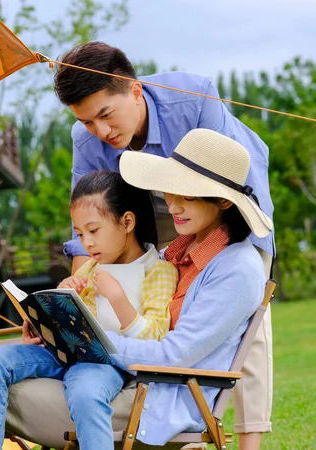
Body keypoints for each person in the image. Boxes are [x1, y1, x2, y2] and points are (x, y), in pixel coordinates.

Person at [0, 129, 273, 450]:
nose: (172, 206)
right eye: (169, 192)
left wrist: (90, 343)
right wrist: (54, 329)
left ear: (223, 202)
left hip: (152, 399)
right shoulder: (180, 254)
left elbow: (173, 354)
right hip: (123, 378)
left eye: (186, 195)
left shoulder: (236, 268)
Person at [54, 42, 274, 450]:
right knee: (167, 311)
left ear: (134, 91)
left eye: (105, 115)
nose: (101, 131)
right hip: (154, 211)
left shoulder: (194, 101)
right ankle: (174, 420)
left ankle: (242, 439)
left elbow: (232, 178)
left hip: (220, 198)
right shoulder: (86, 140)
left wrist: (247, 264)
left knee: (246, 325)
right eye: (87, 122)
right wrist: (74, 307)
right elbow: (86, 225)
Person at [0, 171, 178, 450]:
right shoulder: (91, 267)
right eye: (80, 234)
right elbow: (76, 323)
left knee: (85, 393)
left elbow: (154, 338)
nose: (87, 243)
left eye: (93, 230)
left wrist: (117, 297)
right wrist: (46, 319)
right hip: (64, 353)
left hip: (104, 363)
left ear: (127, 222)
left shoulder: (158, 271)